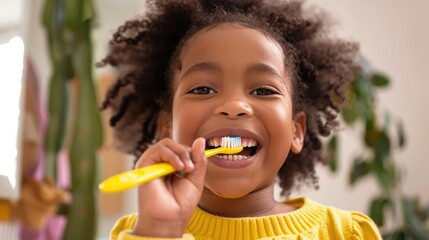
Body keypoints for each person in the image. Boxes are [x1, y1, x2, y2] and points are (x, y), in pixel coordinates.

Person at [100, 0, 382, 239]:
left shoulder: (346, 233)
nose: (233, 106)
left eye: (263, 90)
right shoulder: (141, 231)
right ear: (166, 129)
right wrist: (160, 231)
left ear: (296, 131)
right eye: (203, 89)